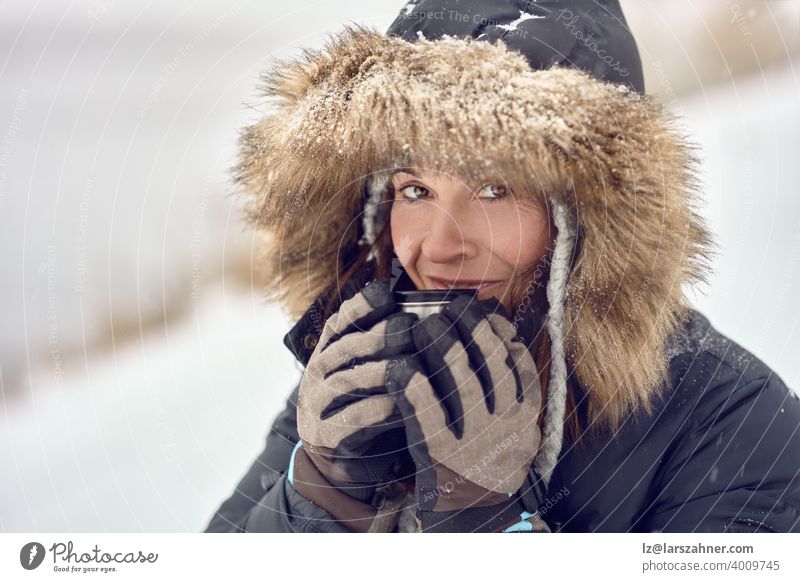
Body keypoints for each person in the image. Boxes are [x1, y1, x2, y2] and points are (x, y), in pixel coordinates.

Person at [204, 0, 800, 533]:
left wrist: (485, 525)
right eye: (415, 191)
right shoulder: (361, 369)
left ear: (590, 215)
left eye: (494, 189)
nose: (439, 247)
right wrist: (315, 502)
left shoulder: (734, 423)